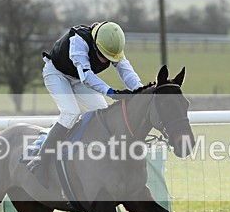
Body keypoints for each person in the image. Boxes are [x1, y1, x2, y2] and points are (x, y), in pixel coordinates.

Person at [28, 21, 144, 184]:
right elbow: (86, 76)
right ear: (96, 45)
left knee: (103, 112)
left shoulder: (112, 46)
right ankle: (40, 161)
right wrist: (112, 92)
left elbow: (126, 71)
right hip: (57, 73)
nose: (105, 61)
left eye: (109, 58)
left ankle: (92, 157)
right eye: (103, 56)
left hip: (78, 78)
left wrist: (140, 91)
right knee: (71, 112)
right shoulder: (79, 41)